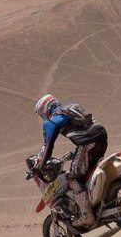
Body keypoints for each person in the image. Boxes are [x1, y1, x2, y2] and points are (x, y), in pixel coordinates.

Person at [33, 94, 108, 226]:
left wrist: (39, 165)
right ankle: (102, 200)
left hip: (87, 142)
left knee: (72, 177)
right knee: (89, 171)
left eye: (41, 114)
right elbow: (84, 126)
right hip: (101, 135)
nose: (42, 117)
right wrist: (74, 153)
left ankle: (86, 214)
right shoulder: (71, 106)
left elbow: (48, 146)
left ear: (45, 109)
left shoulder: (51, 121)